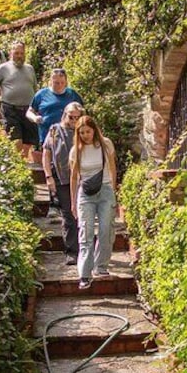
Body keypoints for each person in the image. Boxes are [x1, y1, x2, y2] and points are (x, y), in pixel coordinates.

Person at [69, 115, 117, 290]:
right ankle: (85, 274)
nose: (85, 135)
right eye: (81, 133)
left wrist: (114, 191)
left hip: (105, 190)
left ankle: (101, 266)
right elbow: (74, 177)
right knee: (86, 233)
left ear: (94, 130)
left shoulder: (105, 144)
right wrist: (73, 202)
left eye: (88, 131)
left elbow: (112, 168)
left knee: (106, 230)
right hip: (85, 194)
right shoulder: (76, 150)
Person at [42, 102, 85, 266]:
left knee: (82, 214)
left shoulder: (83, 131)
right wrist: (48, 177)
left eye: (77, 117)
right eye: (71, 116)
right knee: (68, 215)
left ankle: (84, 249)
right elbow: (46, 154)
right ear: (64, 114)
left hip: (82, 179)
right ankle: (71, 251)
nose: (73, 120)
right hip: (61, 179)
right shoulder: (55, 130)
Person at [0, 42, 38, 158]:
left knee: (27, 144)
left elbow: (35, 90)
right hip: (10, 110)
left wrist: (37, 108)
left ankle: (22, 168)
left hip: (28, 111)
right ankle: (18, 166)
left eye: (21, 53)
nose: (19, 56)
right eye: (16, 53)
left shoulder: (30, 69)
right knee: (16, 142)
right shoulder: (3, 68)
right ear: (11, 53)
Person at [26, 68, 83, 147]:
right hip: (47, 136)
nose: (59, 85)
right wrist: (35, 118)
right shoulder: (41, 94)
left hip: (69, 136)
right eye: (56, 83)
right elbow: (29, 112)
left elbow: (82, 113)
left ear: (66, 82)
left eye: (62, 82)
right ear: (50, 81)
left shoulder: (72, 94)